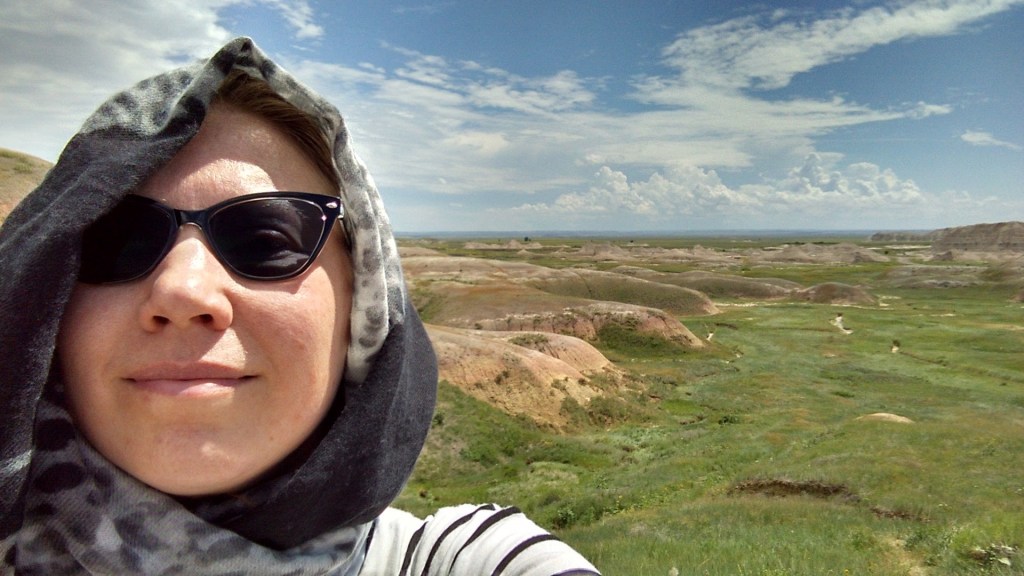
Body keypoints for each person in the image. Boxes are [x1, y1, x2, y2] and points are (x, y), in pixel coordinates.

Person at [0, 37, 599, 575]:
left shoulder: (462, 561)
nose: (182, 290)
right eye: (116, 241)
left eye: (265, 241)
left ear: (361, 310)